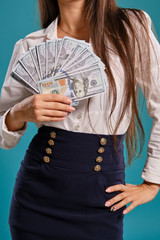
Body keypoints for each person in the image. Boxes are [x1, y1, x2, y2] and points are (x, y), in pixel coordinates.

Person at [0, 0, 160, 239]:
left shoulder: (131, 28)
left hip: (102, 196)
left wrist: (153, 182)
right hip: (36, 197)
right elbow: (4, 134)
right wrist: (20, 113)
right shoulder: (30, 46)